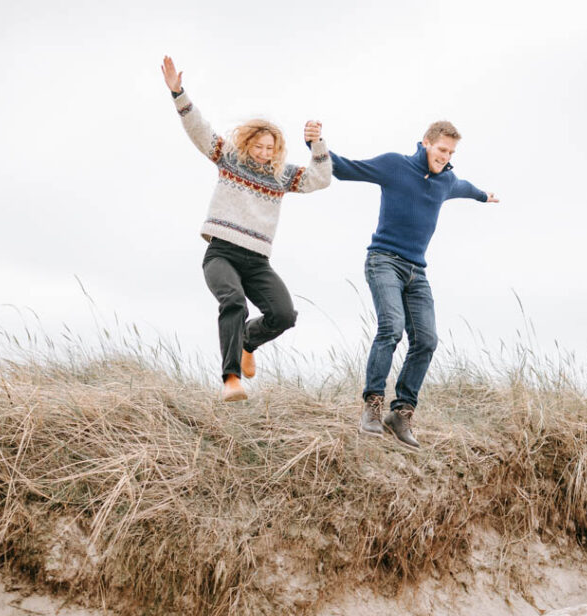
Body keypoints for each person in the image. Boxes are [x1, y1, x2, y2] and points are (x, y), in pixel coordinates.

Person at [161, 55, 332, 401]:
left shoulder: (281, 175)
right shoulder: (229, 158)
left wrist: (317, 144)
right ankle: (231, 379)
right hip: (221, 253)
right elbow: (198, 129)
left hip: (257, 261)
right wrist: (178, 93)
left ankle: (248, 344)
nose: (264, 152)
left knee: (284, 314)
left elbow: (321, 178)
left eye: (270, 148)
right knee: (234, 302)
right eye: (258, 146)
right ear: (247, 143)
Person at [327, 123, 498, 446]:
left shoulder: (446, 181)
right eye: (441, 150)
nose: (445, 157)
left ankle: (401, 413)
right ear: (426, 143)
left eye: (451, 152)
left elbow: (465, 187)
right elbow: (346, 169)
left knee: (427, 340)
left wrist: (482, 196)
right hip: (383, 260)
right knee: (391, 327)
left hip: (416, 271)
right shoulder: (395, 165)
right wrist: (316, 146)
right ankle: (373, 406)